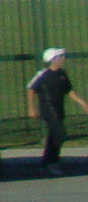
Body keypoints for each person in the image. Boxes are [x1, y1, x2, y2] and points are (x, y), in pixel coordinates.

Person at [28, 48, 72, 176]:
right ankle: (53, 162)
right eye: (60, 56)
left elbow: (69, 90)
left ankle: (45, 163)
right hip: (48, 110)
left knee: (54, 137)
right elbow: (31, 90)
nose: (63, 59)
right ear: (53, 60)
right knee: (60, 135)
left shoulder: (62, 74)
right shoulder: (43, 75)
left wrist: (83, 104)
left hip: (59, 109)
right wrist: (32, 108)